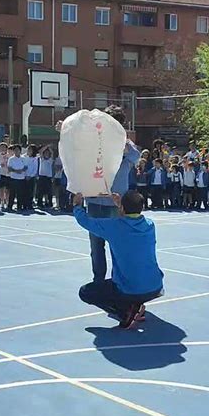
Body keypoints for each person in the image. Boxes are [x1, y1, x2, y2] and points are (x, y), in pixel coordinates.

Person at [73, 190, 164, 329]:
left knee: (85, 292)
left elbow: (85, 221)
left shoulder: (114, 226)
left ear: (122, 208)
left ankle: (126, 312)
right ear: (143, 208)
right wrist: (120, 205)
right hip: (155, 286)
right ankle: (134, 305)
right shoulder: (150, 225)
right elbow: (130, 218)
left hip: (129, 288)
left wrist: (77, 206)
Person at [85, 106, 140, 283]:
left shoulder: (125, 143)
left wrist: (119, 140)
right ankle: (98, 280)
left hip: (116, 204)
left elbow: (135, 156)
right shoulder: (95, 141)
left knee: (118, 245)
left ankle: (119, 280)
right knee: (96, 245)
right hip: (94, 199)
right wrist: (67, 129)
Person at [8, 144, 26, 211]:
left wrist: (21, 170)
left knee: (20, 194)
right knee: (12, 193)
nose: (16, 151)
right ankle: (10, 206)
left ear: (20, 151)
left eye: (18, 150)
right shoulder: (11, 159)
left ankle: (19, 206)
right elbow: (9, 168)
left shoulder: (23, 158)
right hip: (13, 178)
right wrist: (16, 171)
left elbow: (26, 167)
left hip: (21, 178)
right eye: (15, 150)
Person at [23, 144, 39, 210]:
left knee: (30, 192)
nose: (29, 151)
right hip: (24, 177)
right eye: (28, 149)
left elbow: (35, 169)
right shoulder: (23, 157)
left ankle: (29, 204)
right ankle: (24, 205)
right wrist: (25, 175)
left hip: (31, 177)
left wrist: (30, 176)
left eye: (30, 150)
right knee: (24, 192)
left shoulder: (35, 159)